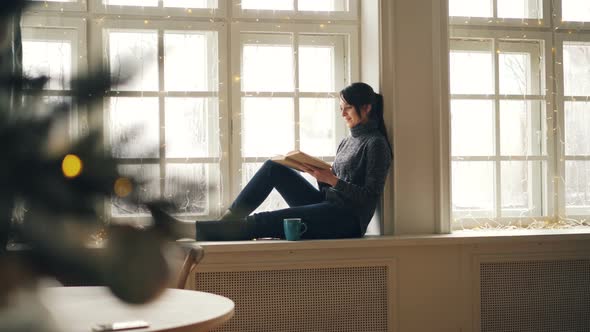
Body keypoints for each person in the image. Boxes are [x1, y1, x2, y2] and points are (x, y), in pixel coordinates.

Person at [149, 82, 392, 241]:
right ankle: (226, 223)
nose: (342, 114)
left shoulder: (376, 144)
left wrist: (332, 180)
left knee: (267, 220)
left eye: (347, 108)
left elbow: (370, 196)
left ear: (367, 108)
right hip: (328, 204)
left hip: (347, 220)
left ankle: (194, 231)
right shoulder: (346, 141)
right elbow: (333, 187)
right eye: (341, 108)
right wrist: (318, 175)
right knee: (273, 167)